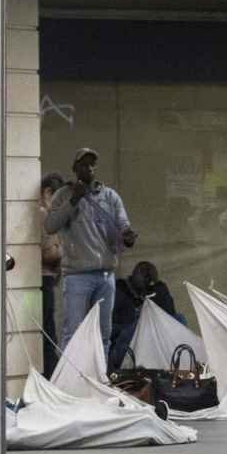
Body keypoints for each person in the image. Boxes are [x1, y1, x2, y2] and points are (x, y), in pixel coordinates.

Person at [44, 148, 136, 352]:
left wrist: (128, 236)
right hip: (77, 276)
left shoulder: (110, 196)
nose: (89, 168)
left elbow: (123, 225)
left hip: (105, 275)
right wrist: (73, 200)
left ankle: (99, 379)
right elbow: (50, 225)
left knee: (103, 335)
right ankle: (69, 381)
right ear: (75, 168)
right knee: (73, 334)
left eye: (92, 164)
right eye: (84, 164)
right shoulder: (64, 194)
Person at [108, 261, 181, 370]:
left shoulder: (154, 290)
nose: (145, 275)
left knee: (180, 319)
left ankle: (179, 363)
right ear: (134, 272)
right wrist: (136, 324)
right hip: (124, 342)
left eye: (148, 274)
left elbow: (170, 316)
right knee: (138, 325)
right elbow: (109, 327)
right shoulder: (120, 288)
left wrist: (157, 287)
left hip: (152, 339)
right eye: (142, 271)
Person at [38, 172, 65, 372]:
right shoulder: (43, 214)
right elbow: (48, 254)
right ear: (48, 193)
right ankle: (50, 372)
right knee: (47, 330)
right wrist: (63, 258)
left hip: (48, 278)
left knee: (48, 327)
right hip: (43, 279)